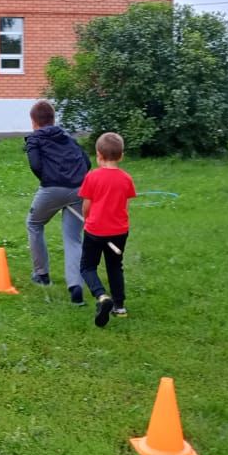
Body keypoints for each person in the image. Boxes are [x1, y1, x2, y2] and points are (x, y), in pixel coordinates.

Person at [24, 100, 91, 305]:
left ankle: (41, 274)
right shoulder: (67, 137)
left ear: (34, 122)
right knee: (73, 238)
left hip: (51, 189)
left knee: (34, 224)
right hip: (79, 189)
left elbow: (35, 164)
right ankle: (76, 286)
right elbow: (86, 161)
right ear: (53, 119)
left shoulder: (35, 139)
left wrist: (49, 179)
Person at [78, 132, 137, 328]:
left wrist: (87, 220)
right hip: (119, 232)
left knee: (87, 267)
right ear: (121, 155)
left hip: (95, 231)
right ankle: (119, 306)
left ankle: (102, 296)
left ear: (98, 155)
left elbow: (87, 205)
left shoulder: (92, 177)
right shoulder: (126, 179)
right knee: (114, 266)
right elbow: (124, 206)